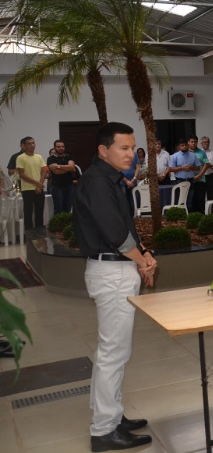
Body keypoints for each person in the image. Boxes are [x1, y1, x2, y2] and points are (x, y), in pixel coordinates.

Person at [74, 122, 157, 452]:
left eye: (132, 147)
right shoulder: (97, 181)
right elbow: (113, 231)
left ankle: (111, 414)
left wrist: (144, 254)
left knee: (112, 353)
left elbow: (126, 228)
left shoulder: (110, 180)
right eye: (123, 148)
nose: (131, 154)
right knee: (113, 353)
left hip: (116, 268)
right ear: (103, 150)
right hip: (111, 271)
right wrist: (140, 260)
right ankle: (104, 430)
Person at [16, 136, 48, 233]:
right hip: (27, 189)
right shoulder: (21, 158)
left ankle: (40, 234)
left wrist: (39, 185)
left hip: (39, 189)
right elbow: (21, 174)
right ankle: (29, 235)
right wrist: (37, 183)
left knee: (39, 212)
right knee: (28, 213)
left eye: (33, 143)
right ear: (24, 146)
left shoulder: (39, 156)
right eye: (29, 143)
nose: (32, 145)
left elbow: (44, 171)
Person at [47, 139, 76, 215]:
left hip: (69, 186)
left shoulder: (68, 157)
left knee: (68, 209)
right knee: (58, 209)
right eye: (59, 146)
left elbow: (72, 167)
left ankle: (66, 226)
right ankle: (58, 227)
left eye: (63, 146)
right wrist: (68, 168)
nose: (61, 148)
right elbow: (56, 172)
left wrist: (58, 166)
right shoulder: (51, 159)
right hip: (57, 187)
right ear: (55, 148)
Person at [187, 135, 210, 214]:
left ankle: (201, 218)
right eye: (192, 142)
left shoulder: (201, 152)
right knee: (190, 201)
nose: (193, 143)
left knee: (200, 200)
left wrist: (199, 175)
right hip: (188, 180)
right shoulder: (185, 152)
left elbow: (206, 164)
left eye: (195, 142)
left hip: (200, 180)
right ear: (188, 142)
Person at [200, 136, 213, 203]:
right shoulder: (199, 153)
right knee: (201, 195)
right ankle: (202, 211)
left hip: (210, 176)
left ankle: (211, 211)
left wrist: (209, 165)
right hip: (201, 177)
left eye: (208, 142)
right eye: (205, 142)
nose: (206, 143)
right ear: (201, 143)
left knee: (211, 195)